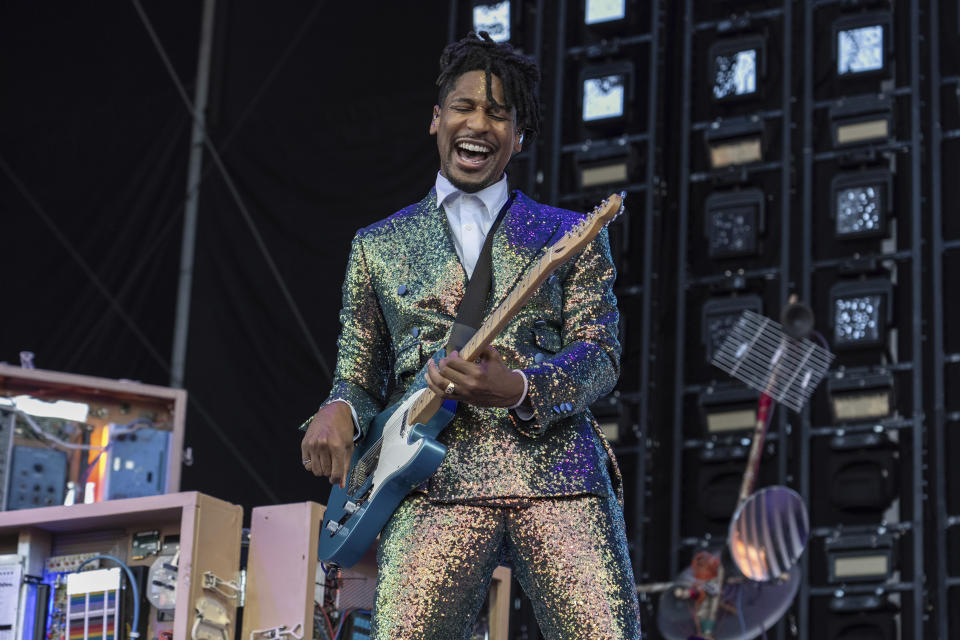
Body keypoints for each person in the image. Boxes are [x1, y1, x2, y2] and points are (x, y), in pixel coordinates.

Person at [300, 31, 641, 640]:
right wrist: (336, 409)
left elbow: (602, 354)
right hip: (427, 483)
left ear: (519, 137)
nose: (478, 123)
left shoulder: (569, 232)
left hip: (557, 476)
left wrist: (518, 388)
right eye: (464, 106)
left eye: (499, 113)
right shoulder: (376, 245)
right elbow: (357, 371)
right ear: (436, 120)